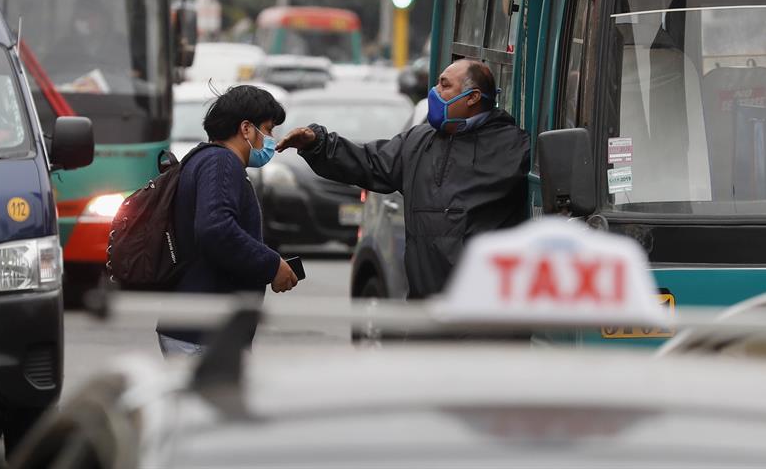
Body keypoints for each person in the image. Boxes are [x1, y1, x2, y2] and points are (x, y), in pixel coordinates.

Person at [276, 59, 530, 298]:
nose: (434, 92)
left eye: (444, 85)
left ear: (473, 97)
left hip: (485, 306)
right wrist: (318, 144)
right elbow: (368, 161)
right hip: (425, 305)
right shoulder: (418, 141)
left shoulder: (512, 147)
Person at [156, 85, 299, 356]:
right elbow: (215, 229)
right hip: (204, 332)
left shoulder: (205, 159)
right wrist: (272, 265)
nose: (270, 139)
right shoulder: (221, 163)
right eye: (267, 129)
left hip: (203, 327)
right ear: (246, 129)